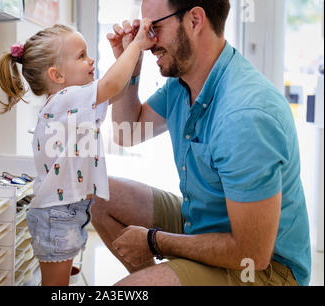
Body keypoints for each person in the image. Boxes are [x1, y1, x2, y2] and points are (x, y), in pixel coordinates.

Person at [91, 0, 311, 286]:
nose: (147, 42)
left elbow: (252, 254)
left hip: (263, 268)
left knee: (129, 291)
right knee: (98, 196)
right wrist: (129, 64)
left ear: (195, 20)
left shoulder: (245, 115)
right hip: (204, 222)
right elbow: (126, 132)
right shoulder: (184, 83)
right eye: (143, 30)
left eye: (154, 27)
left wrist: (154, 241)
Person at [0, 22, 156, 286]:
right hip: (57, 214)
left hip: (67, 210)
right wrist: (137, 45)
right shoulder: (64, 100)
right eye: (81, 56)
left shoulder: (74, 101)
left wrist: (127, 55)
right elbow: (112, 83)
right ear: (57, 75)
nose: (90, 60)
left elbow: (117, 90)